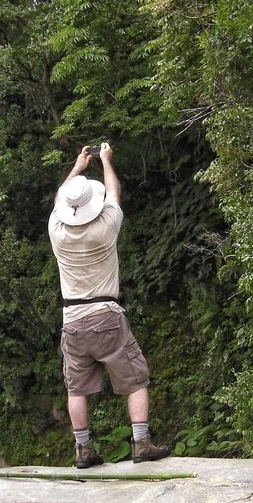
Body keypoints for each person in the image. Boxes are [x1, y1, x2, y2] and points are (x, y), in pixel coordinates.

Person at [48, 143, 170, 469]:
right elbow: (113, 192)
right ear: (92, 202)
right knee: (136, 378)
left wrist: (77, 166)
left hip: (72, 321)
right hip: (106, 316)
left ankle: (83, 450)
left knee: (76, 388)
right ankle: (141, 442)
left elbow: (60, 198)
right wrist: (105, 161)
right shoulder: (105, 227)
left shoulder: (56, 231)